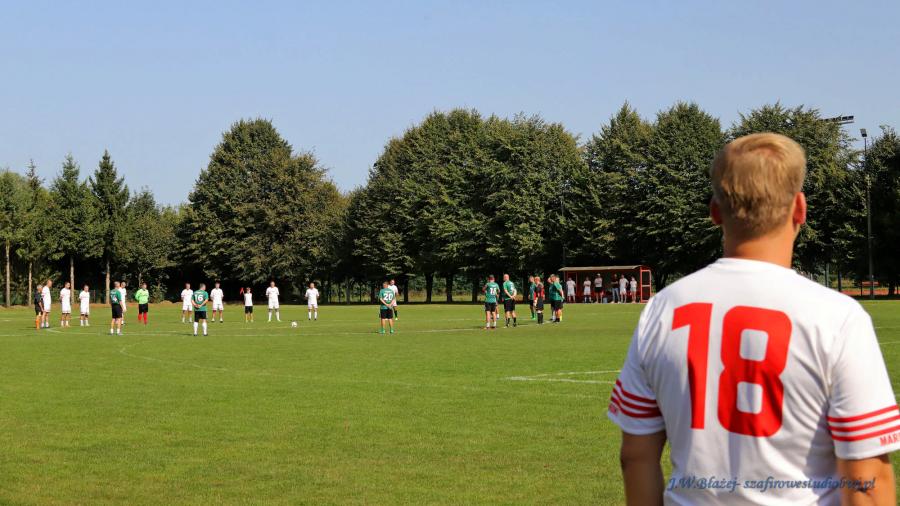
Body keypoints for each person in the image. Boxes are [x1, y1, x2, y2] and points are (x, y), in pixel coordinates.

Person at [608, 133, 898, 505]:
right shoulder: (838, 317)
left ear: (715, 212)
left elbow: (636, 456)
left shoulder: (662, 309)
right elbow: (866, 478)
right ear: (800, 209)